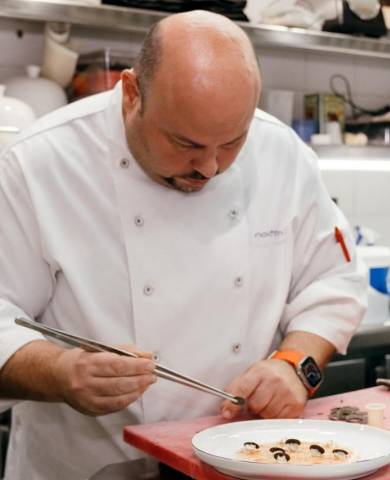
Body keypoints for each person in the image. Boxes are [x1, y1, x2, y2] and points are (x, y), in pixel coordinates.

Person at [0, 11, 366, 479]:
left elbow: (334, 282)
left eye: (232, 142)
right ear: (132, 95)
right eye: (186, 143)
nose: (210, 167)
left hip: (241, 460)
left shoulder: (282, 152)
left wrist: (294, 365)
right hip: (87, 466)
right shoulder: (39, 163)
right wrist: (61, 371)